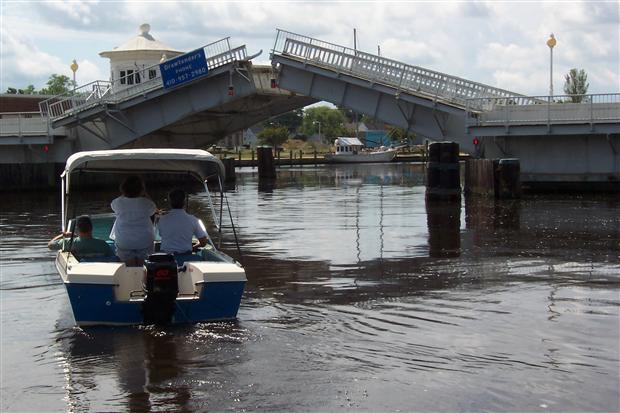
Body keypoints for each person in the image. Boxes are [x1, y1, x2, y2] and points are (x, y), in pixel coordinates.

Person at [110, 175, 157, 266]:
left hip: (124, 241)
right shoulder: (147, 203)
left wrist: (125, 193)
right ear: (142, 189)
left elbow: (114, 205)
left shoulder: (117, 202)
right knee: (143, 267)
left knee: (128, 269)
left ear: (123, 189)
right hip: (144, 241)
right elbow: (153, 210)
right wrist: (145, 195)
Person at [157, 188, 208, 254]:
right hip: (185, 257)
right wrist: (194, 247)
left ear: (170, 202)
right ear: (184, 202)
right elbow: (203, 242)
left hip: (166, 258)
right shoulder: (194, 220)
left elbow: (161, 234)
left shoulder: (162, 219)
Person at [48, 215, 113, 257]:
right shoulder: (103, 244)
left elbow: (50, 245)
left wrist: (63, 235)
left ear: (77, 229)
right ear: (91, 228)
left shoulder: (68, 243)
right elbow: (112, 257)